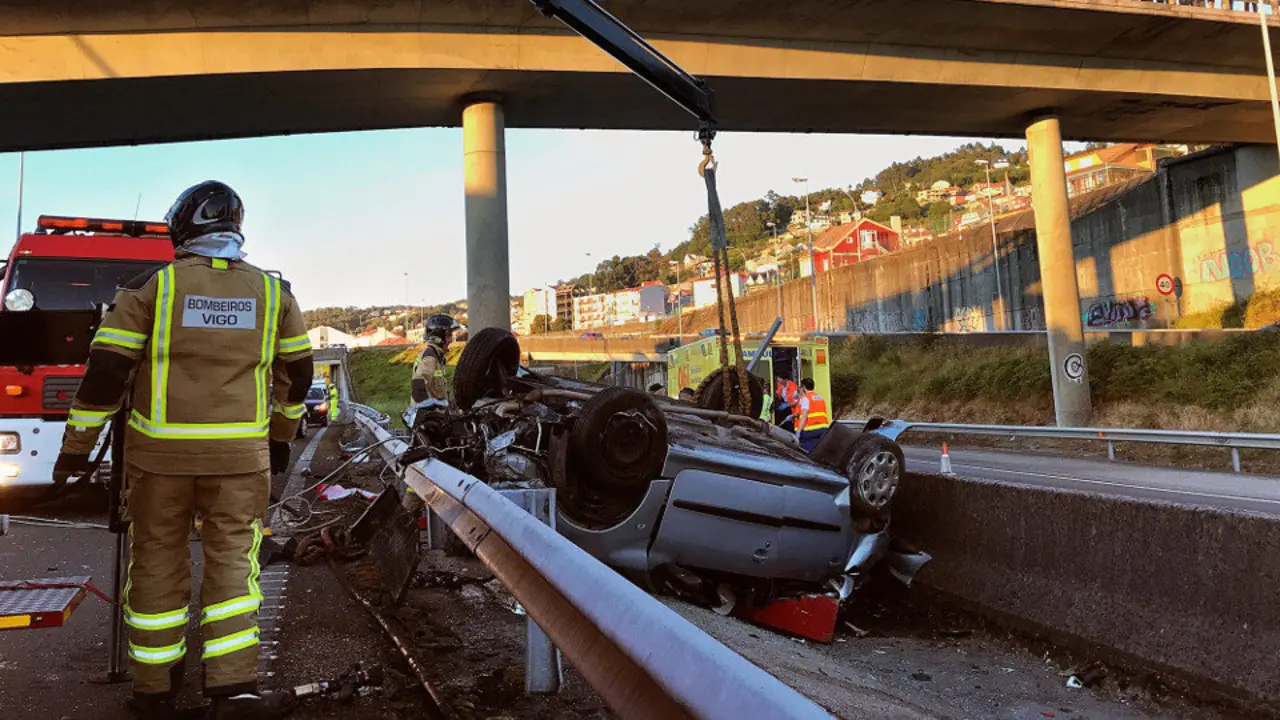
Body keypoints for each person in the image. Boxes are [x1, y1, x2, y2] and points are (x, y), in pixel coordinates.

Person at [53, 181, 311, 719]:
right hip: (241, 461)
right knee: (235, 566)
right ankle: (233, 687)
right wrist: (281, 443)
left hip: (159, 462)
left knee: (156, 561)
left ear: (182, 228)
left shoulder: (151, 289)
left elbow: (105, 376)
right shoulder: (274, 294)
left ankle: (153, 687)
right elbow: (298, 378)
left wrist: (76, 451)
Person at [410, 314, 459, 405]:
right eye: (448, 335)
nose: (451, 339)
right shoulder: (430, 357)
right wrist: (429, 408)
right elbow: (418, 386)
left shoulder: (438, 356)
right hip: (426, 416)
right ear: (438, 337)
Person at [795, 378, 831, 453]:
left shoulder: (806, 398)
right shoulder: (820, 397)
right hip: (823, 429)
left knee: (807, 453)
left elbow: (804, 416)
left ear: (804, 387)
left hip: (811, 431)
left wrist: (798, 432)